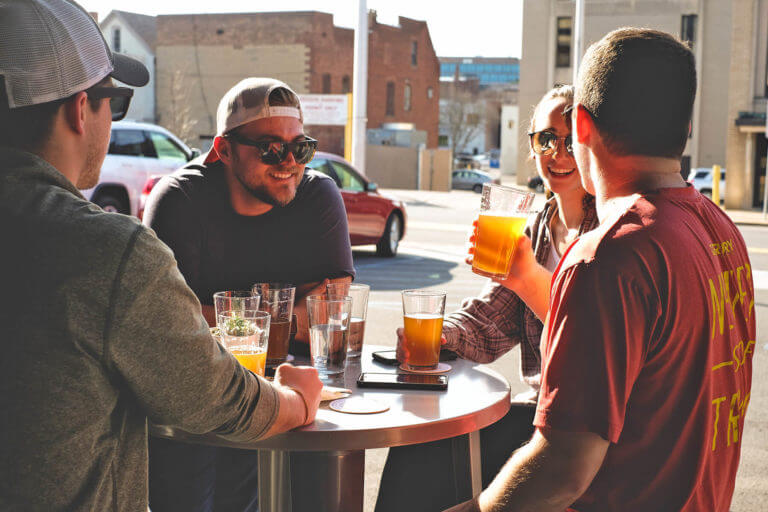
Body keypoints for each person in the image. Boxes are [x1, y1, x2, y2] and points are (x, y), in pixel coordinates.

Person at [0, 1, 322, 510]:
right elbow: (214, 396)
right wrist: (299, 400)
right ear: (79, 110)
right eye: (117, 101)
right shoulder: (104, 251)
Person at [448, 28, 754, 512]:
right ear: (685, 128)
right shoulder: (722, 231)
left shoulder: (607, 257)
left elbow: (562, 470)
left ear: (582, 126)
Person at [376, 85, 599, 512]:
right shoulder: (535, 227)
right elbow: (489, 323)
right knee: (421, 435)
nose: (558, 152)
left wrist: (527, 277)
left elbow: (592, 340)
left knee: (436, 449)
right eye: (545, 139)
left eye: (571, 138)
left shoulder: (608, 230)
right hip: (540, 414)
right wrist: (441, 335)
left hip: (579, 430)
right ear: (532, 149)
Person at [143, 77, 355, 511]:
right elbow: (170, 325)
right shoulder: (179, 199)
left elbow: (332, 302)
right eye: (270, 148)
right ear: (223, 149)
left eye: (300, 147)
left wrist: (221, 321)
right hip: (196, 402)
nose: (289, 163)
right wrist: (278, 322)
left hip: (296, 398)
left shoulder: (318, 194)